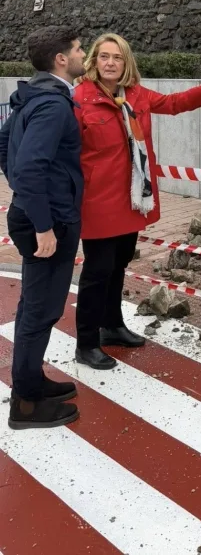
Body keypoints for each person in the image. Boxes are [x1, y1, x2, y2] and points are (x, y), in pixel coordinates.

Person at [73, 33, 201, 370]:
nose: (110, 63)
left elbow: (171, 103)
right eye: (104, 57)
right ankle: (85, 343)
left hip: (130, 200)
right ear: (94, 61)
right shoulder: (80, 98)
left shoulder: (136, 95)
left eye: (118, 57)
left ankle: (111, 326)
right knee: (96, 272)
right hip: (96, 202)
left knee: (118, 265)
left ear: (127, 63)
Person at [0, 26, 86, 430]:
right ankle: (27, 404)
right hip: (48, 220)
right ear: (61, 60)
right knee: (41, 310)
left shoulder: (31, 95)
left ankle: (31, 381)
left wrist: (21, 191)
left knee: (38, 307)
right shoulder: (53, 105)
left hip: (36, 212)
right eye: (79, 49)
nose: (84, 54)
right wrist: (43, 223)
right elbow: (31, 165)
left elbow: (5, 146)